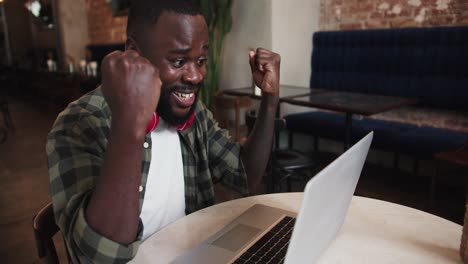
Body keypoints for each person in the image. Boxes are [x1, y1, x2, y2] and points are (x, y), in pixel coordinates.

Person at [46, 0, 280, 262]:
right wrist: (130, 120)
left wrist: (270, 98)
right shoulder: (79, 123)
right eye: (179, 61)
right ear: (134, 53)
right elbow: (100, 256)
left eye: (201, 60)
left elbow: (244, 175)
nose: (195, 76)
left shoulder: (193, 113)